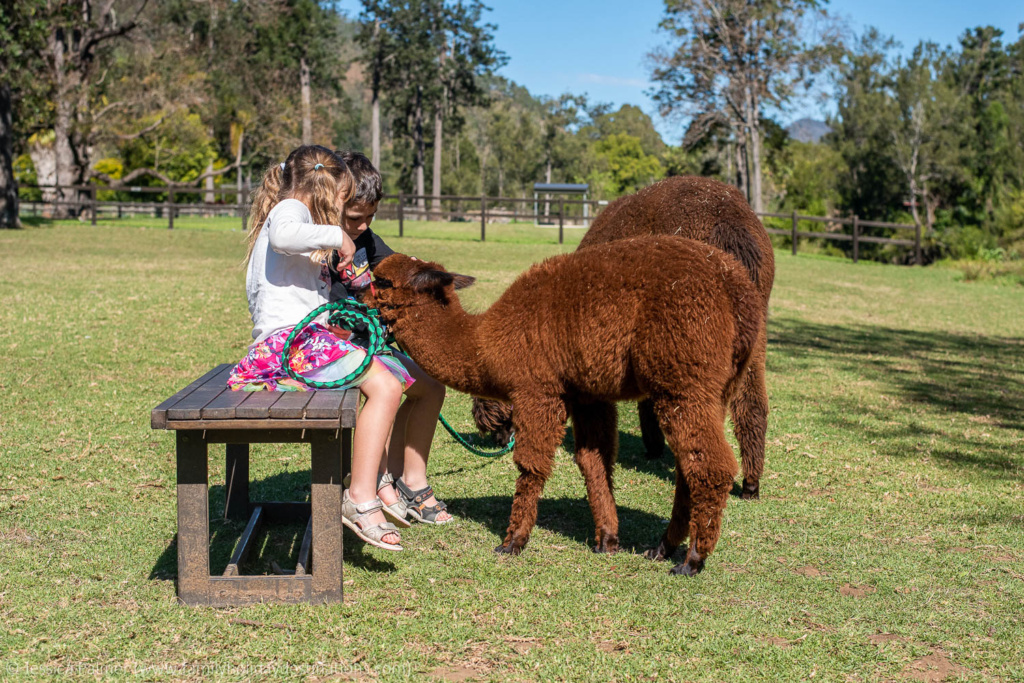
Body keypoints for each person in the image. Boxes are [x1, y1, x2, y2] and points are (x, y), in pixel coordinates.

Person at [229, 144, 410, 551]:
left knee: (391, 376)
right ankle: (360, 496)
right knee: (386, 386)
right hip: (290, 347)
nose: (342, 211)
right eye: (343, 199)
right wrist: (338, 237)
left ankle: (370, 482)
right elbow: (284, 235)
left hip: (299, 342)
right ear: (325, 190)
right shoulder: (289, 210)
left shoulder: (298, 217)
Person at [329, 150, 452, 525]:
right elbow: (333, 315)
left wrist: (420, 272)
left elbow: (396, 265)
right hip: (339, 349)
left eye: (371, 216)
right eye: (355, 217)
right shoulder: (322, 246)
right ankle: (375, 481)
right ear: (333, 203)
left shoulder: (365, 239)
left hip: (370, 346)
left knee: (431, 386)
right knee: (391, 385)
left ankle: (410, 481)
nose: (363, 225)